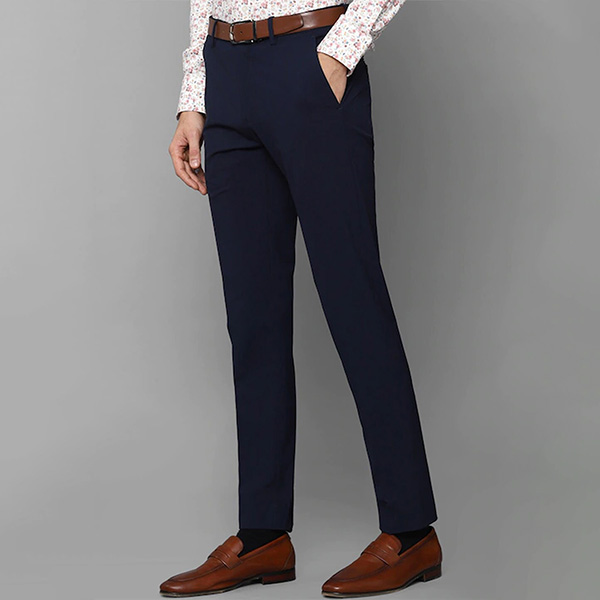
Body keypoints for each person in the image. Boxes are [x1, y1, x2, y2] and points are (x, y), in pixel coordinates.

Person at [161, 1, 442, 597]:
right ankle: (263, 535)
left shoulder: (322, 62)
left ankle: (412, 530)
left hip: (307, 57)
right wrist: (194, 95)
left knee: (354, 301)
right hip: (225, 70)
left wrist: (338, 53)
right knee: (252, 318)